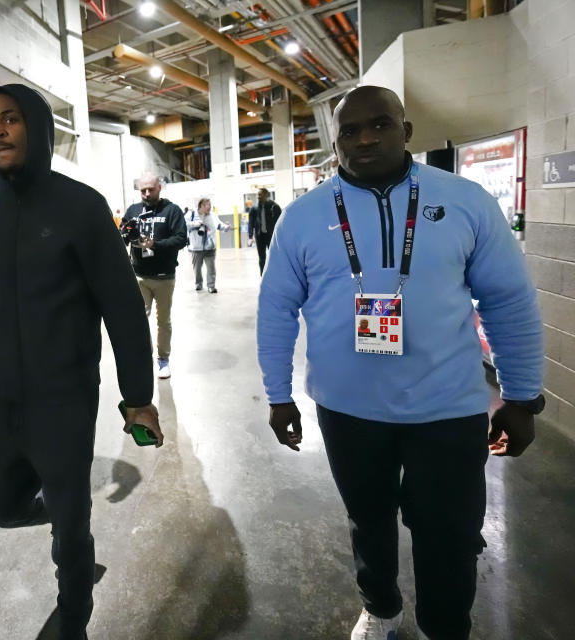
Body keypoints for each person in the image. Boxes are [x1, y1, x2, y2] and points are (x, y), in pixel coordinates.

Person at [256, 86, 543, 640]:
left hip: (449, 407)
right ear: (333, 142)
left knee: (450, 533)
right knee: (369, 520)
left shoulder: (465, 201)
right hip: (348, 409)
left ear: (406, 131)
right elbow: (276, 310)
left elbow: (508, 300)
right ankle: (381, 608)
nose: (365, 138)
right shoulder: (304, 217)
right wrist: (277, 393)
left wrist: (523, 395)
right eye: (349, 131)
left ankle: (444, 627)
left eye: (380, 124)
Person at [0, 84, 164, 640]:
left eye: (11, 119)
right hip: (10, 400)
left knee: (70, 527)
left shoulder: (81, 208)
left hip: (67, 401)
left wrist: (138, 398)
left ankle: (74, 616)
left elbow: (123, 311)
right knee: (1, 506)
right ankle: (70, 521)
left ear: (38, 129)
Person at [121, 173, 187, 379]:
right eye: (143, 190)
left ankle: (163, 359)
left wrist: (155, 245)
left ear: (160, 187)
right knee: (139, 320)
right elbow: (122, 234)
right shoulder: (133, 210)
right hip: (139, 276)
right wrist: (124, 232)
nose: (147, 194)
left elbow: (181, 239)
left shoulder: (172, 211)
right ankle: (143, 356)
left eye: (151, 189)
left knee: (163, 321)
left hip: (164, 277)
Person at [186, 197, 229, 293]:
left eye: (210, 204)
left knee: (211, 268)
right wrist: (194, 224)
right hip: (196, 248)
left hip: (210, 247)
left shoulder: (213, 215)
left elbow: (219, 225)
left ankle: (211, 286)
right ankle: (198, 284)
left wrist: (225, 227)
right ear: (201, 206)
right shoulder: (191, 214)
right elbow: (183, 224)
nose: (209, 207)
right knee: (197, 269)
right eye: (207, 205)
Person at [248, 188, 281, 274]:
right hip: (260, 237)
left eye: (260, 194)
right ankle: (263, 276)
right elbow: (251, 223)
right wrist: (250, 237)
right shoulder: (254, 209)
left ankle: (275, 274)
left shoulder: (274, 207)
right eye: (258, 194)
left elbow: (280, 222)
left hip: (271, 236)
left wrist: (280, 236)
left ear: (266, 195)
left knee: (274, 256)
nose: (258, 196)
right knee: (262, 258)